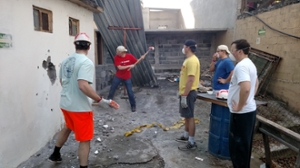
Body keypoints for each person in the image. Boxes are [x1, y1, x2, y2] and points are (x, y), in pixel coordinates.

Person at [48, 33, 117, 168]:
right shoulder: (86, 62)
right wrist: (100, 100)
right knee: (85, 139)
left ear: (75, 45)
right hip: (79, 108)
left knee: (68, 127)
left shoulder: (66, 61)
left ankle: (55, 154)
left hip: (65, 104)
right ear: (89, 47)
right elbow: (83, 85)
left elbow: (62, 82)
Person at [227, 39, 259, 168]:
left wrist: (240, 105)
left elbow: (246, 87)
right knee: (244, 147)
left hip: (241, 113)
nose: (231, 53)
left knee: (238, 148)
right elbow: (256, 83)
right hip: (248, 111)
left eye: (232, 50)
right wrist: (250, 97)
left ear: (239, 51)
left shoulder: (241, 66)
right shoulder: (250, 63)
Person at [176, 39, 200, 150]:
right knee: (186, 116)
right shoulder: (188, 59)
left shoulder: (192, 61)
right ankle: (186, 136)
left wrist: (185, 95)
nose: (183, 48)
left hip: (188, 93)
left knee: (190, 117)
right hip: (185, 92)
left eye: (184, 46)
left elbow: (190, 79)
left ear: (188, 48)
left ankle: (191, 142)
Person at [107, 46, 145, 112]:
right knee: (112, 89)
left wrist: (141, 58)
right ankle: (108, 103)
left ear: (121, 52)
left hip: (127, 77)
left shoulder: (129, 56)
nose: (116, 53)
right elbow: (119, 68)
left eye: (117, 52)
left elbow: (136, 62)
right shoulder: (116, 57)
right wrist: (129, 66)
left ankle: (133, 105)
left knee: (130, 92)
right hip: (118, 76)